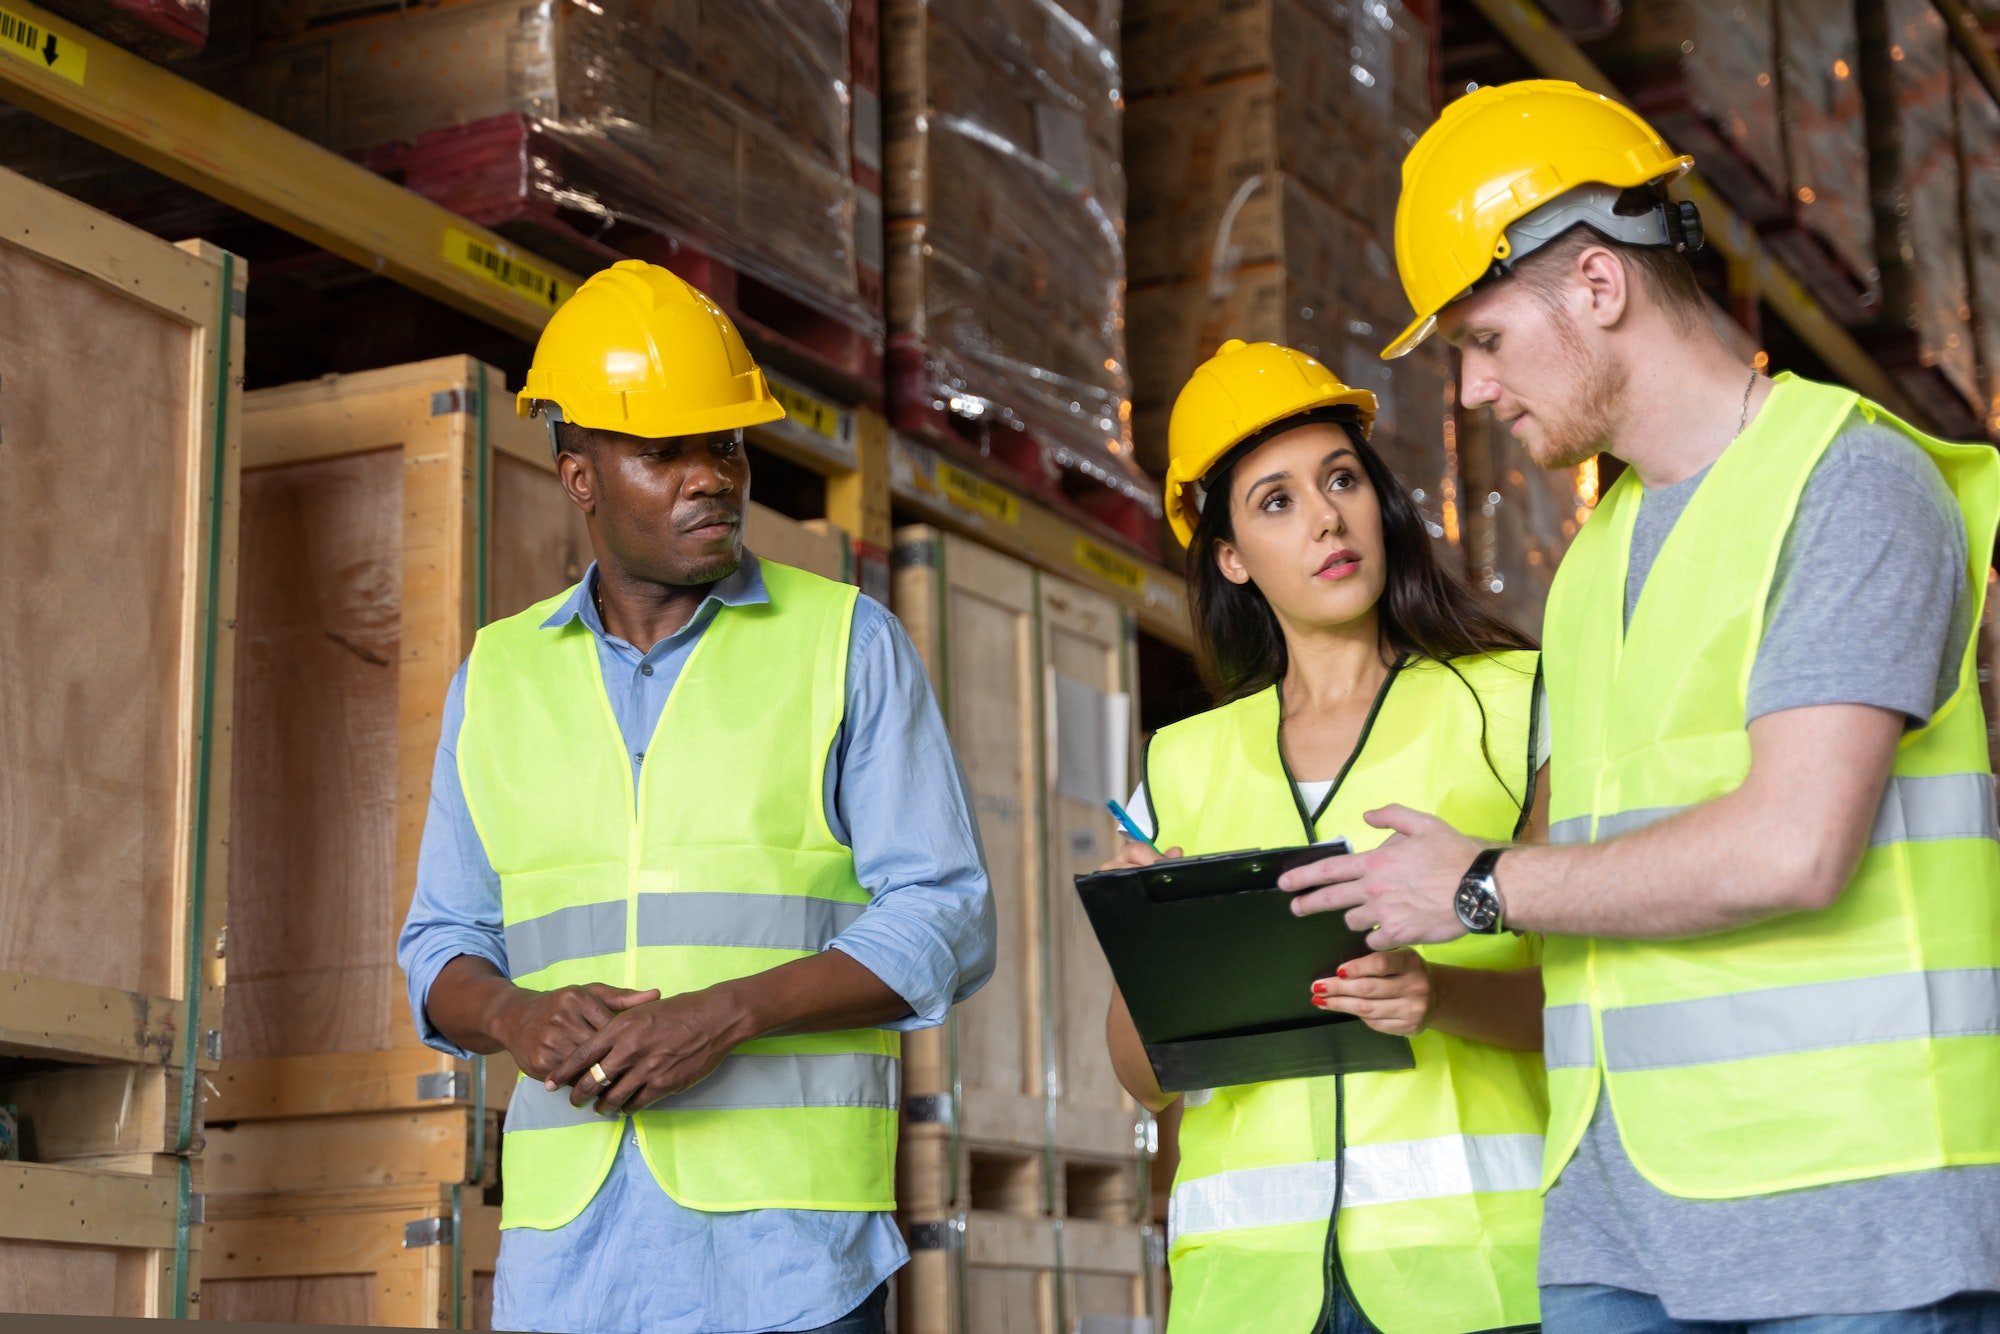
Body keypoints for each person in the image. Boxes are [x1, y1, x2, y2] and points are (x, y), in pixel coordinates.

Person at [1280, 80, 2000, 1331]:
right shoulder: (1594, 562)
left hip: (1846, 1221)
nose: (1471, 393)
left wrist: (1475, 885)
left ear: (1598, 287)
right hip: (1616, 1228)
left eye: (1484, 340)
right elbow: (1575, 871)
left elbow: (1795, 845)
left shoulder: (1849, 484)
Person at [396, 259, 997, 1334]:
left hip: (791, 1262)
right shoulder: (496, 676)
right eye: (663, 451)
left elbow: (945, 916)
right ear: (579, 474)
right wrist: (512, 1011)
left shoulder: (844, 643)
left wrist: (728, 1014)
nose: (710, 476)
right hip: (566, 1268)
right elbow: (440, 940)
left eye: (724, 444)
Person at [1103, 337, 1552, 1334]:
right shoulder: (1181, 761)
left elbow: (1597, 1003)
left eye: (1339, 478)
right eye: (1274, 500)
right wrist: (1156, 952)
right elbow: (1138, 1076)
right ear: (1228, 555)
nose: (1324, 518)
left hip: (1475, 1282)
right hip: (1250, 1292)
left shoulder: (1512, 706)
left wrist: (1437, 994)